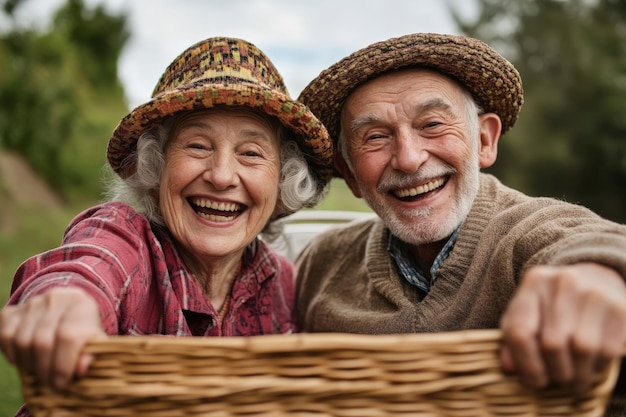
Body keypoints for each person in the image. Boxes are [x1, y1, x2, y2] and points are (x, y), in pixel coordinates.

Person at [294, 32, 626, 415]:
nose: (408, 158)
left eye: (432, 124)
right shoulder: (320, 265)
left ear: (484, 140)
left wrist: (600, 271)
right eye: (375, 137)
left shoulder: (526, 233)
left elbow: (580, 239)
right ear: (349, 175)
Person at [0, 36, 333, 417]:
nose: (222, 175)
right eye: (197, 146)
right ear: (155, 167)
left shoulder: (282, 283)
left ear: (281, 181)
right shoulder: (126, 236)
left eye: (251, 153)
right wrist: (69, 303)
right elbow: (89, 265)